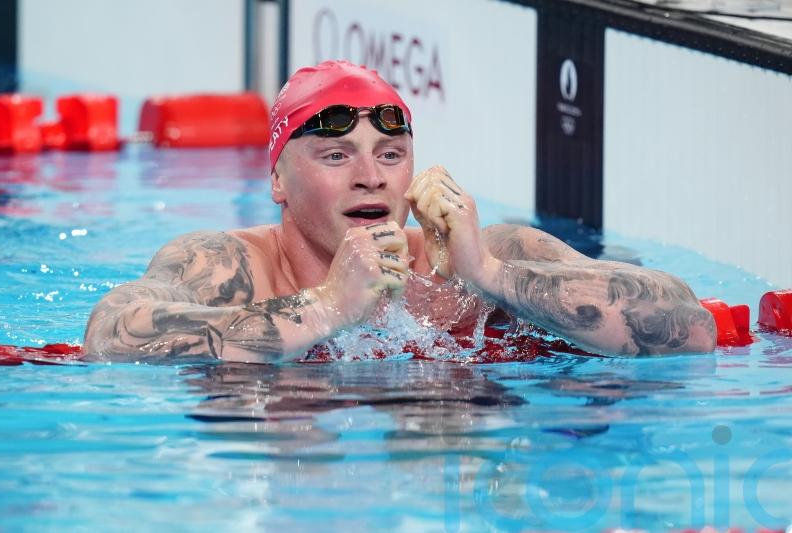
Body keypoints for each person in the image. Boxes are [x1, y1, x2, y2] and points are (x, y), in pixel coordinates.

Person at [83, 60, 716, 362]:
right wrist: (326, 308)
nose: (370, 178)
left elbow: (693, 329)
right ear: (277, 178)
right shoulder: (228, 263)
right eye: (336, 156)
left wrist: (489, 273)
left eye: (391, 154)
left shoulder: (482, 257)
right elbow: (108, 335)